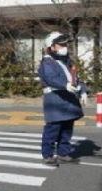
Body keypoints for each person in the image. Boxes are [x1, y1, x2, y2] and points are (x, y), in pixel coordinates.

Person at [38, 31, 87, 166]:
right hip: (55, 99)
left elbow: (76, 78)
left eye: (65, 44)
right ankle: (47, 155)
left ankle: (63, 153)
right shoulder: (48, 62)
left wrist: (83, 90)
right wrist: (65, 85)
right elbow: (51, 78)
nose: (64, 47)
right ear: (51, 47)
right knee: (53, 128)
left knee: (67, 128)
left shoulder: (66, 61)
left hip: (68, 99)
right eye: (61, 44)